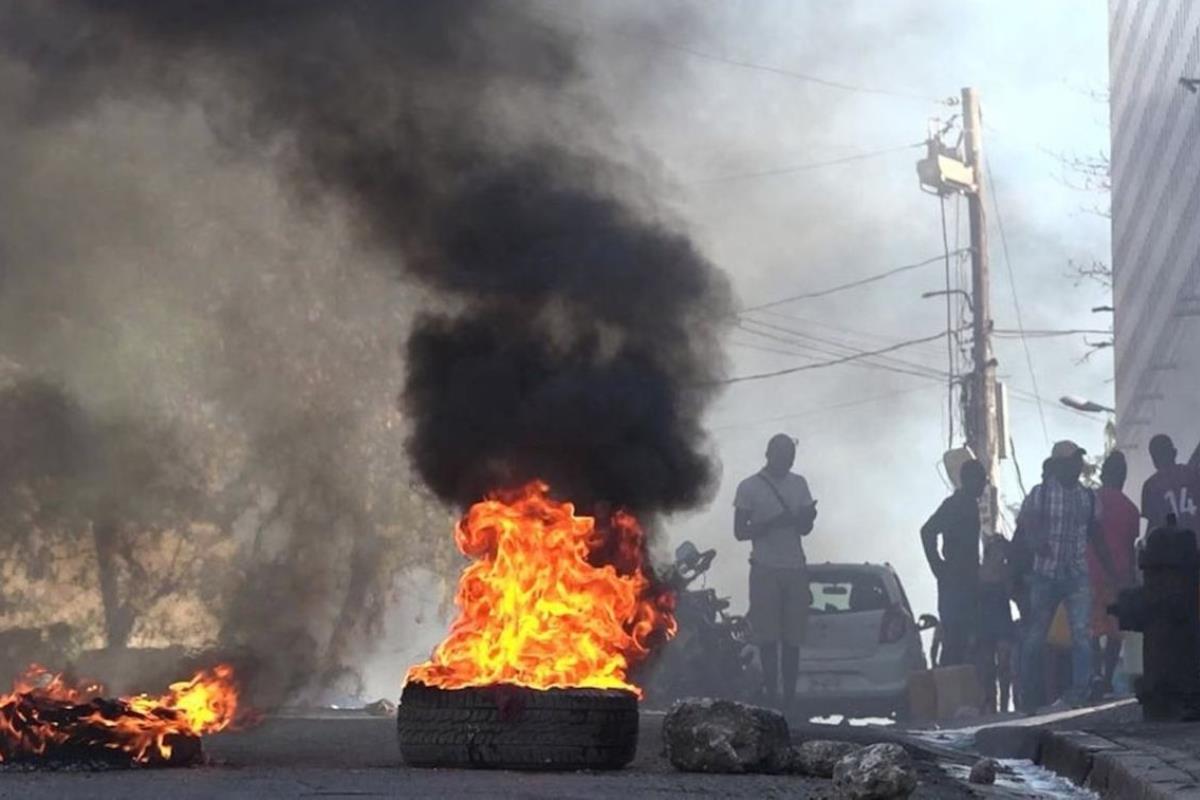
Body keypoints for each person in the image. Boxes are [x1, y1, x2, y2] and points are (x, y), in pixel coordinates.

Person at [1017, 441, 1117, 710]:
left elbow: (1096, 535)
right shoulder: (1041, 494)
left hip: (1076, 574)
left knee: (1082, 634)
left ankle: (1079, 693)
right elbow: (1025, 523)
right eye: (1072, 461)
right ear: (1059, 465)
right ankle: (1029, 695)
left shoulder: (1088, 497)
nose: (1077, 466)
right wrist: (1036, 541)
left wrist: (1111, 571)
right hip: (1045, 575)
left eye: (1078, 461)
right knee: (1036, 636)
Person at [734, 433, 817, 712]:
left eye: (791, 457)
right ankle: (771, 696)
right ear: (770, 455)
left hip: (795, 567)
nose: (788, 462)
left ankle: (789, 699)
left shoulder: (799, 483)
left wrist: (806, 518)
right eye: (784, 456)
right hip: (765, 568)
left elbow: (805, 529)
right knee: (767, 638)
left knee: (792, 639)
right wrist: (772, 523)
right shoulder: (749, 487)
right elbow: (740, 532)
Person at [920, 459, 987, 667]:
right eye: (981, 480)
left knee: (968, 641)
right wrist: (938, 567)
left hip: (966, 581)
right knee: (955, 641)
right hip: (955, 582)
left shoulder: (969, 504)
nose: (983, 485)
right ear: (969, 480)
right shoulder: (955, 504)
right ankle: (951, 689)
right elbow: (927, 530)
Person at [1089, 451, 1139, 696]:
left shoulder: (1091, 500)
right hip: (1117, 577)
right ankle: (1106, 677)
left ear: (1103, 474)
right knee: (1114, 632)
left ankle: (1095, 676)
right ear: (1123, 477)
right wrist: (1129, 579)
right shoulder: (1130, 509)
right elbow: (1130, 548)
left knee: (1091, 628)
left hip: (1090, 573)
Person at [977, 532, 1015, 712]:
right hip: (985, 623)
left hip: (1002, 622)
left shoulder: (1006, 572)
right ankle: (991, 704)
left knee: (1004, 665)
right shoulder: (979, 572)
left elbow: (1010, 593)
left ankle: (1005, 707)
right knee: (987, 668)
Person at [1141, 434, 1200, 536]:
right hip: (1195, 545)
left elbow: (1153, 524)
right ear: (1174, 453)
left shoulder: (1150, 486)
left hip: (1168, 548)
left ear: (1154, 460)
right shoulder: (1193, 475)